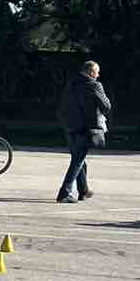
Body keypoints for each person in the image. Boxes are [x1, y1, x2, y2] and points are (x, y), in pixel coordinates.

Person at [56, 59, 112, 204]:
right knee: (78, 160)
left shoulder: (71, 83)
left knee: (78, 158)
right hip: (85, 128)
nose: (98, 75)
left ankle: (84, 190)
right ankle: (65, 192)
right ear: (91, 72)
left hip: (69, 126)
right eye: (97, 72)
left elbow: (63, 104)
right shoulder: (94, 85)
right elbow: (106, 106)